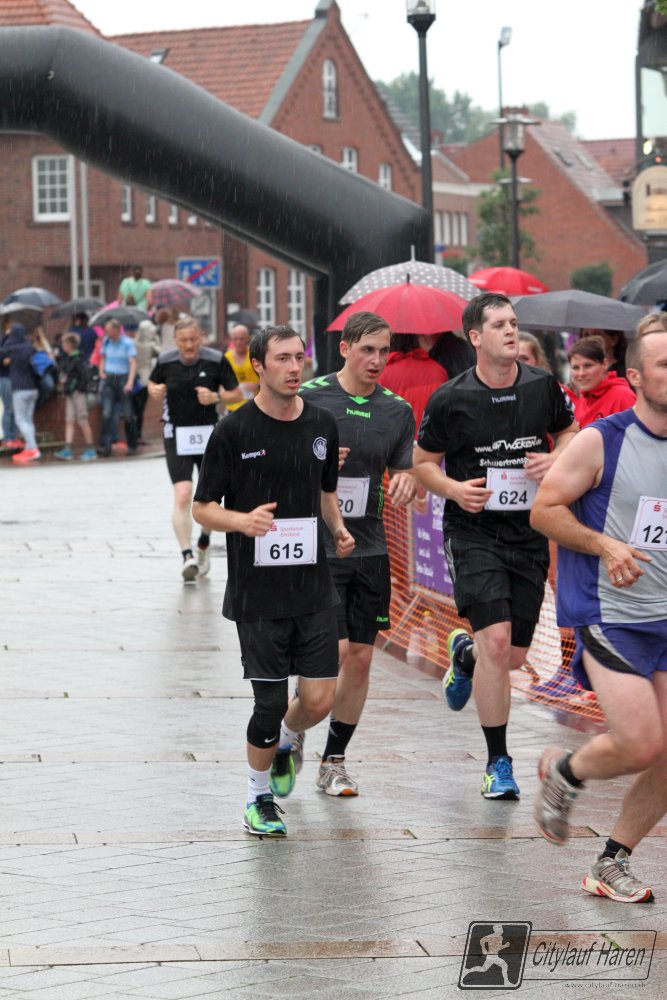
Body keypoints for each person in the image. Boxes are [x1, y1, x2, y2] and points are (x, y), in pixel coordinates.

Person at [192, 324, 355, 837]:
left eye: (299, 357)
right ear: (258, 365)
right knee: (268, 702)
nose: (293, 367)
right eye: (282, 358)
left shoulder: (322, 424)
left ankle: (285, 738)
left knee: (320, 700)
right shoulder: (234, 431)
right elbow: (202, 508)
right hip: (258, 593)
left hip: (313, 587)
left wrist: (338, 528)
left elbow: (326, 492)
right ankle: (257, 798)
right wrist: (242, 521)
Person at [413, 293, 576, 800]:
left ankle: (465, 656)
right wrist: (454, 489)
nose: (510, 330)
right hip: (473, 532)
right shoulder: (450, 397)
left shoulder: (542, 386)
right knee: (499, 644)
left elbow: (570, 433)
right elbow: (422, 463)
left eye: (514, 322)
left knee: (513, 656)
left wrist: (556, 460)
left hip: (528, 532)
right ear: (475, 337)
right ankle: (497, 763)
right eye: (499, 324)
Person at [531, 317, 667, 904]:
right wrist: (606, 545)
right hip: (611, 612)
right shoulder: (600, 440)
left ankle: (612, 862)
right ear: (634, 377)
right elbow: (544, 511)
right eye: (665, 365)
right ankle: (567, 771)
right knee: (640, 743)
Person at [296, 311, 416, 795]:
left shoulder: (397, 410)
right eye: (367, 349)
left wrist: (406, 479)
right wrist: (314, 463)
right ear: (345, 348)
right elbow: (280, 463)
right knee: (335, 650)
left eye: (385, 351)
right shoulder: (310, 397)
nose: (377, 360)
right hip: (319, 546)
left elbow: (405, 468)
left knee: (362, 658)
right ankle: (289, 729)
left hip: (369, 546)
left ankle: (334, 760)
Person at [148, 316, 242, 581]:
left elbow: (237, 393)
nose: (189, 345)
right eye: (183, 340)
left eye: (193, 339)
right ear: (175, 340)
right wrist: (154, 390)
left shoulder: (216, 360)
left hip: (208, 435)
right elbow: (152, 383)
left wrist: (216, 397)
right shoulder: (165, 361)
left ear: (201, 338)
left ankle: (203, 541)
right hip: (175, 433)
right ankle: (187, 555)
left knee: (208, 498)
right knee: (182, 494)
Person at [378, 332, 448, 432]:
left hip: (396, 439)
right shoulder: (439, 372)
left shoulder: (381, 375)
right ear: (417, 340)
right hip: (429, 438)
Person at [568, 335, 637, 428]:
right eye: (575, 367)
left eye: (588, 366)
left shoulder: (622, 395)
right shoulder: (583, 400)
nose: (581, 373)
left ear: (605, 364)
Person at [0, 322, 41, 464]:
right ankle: (30, 447)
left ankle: (32, 448)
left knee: (20, 420)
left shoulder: (12, 348)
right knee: (28, 420)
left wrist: (5, 337)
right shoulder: (29, 347)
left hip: (20, 388)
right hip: (33, 387)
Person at [98, 319, 138, 458]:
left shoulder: (127, 343)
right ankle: (106, 445)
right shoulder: (106, 341)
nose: (106, 333)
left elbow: (133, 362)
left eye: (108, 330)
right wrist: (101, 371)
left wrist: (130, 382)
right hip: (109, 378)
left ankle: (132, 444)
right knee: (107, 413)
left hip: (122, 378)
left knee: (128, 414)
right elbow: (102, 358)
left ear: (116, 329)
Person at [54, 332, 97, 462]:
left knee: (82, 420)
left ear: (69, 344)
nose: (62, 346)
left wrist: (78, 388)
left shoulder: (79, 359)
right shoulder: (67, 358)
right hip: (70, 393)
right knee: (69, 420)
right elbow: (62, 370)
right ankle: (67, 449)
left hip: (78, 393)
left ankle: (90, 449)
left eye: (64, 343)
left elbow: (85, 376)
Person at [131, 319, 161, 443]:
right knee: (140, 409)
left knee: (134, 409)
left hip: (134, 378)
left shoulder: (132, 343)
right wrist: (156, 339)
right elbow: (161, 352)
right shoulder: (150, 345)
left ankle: (134, 436)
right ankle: (138, 435)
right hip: (145, 379)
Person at [224, 323, 260, 412]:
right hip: (233, 407)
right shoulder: (226, 358)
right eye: (235, 339)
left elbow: (267, 376)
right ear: (231, 339)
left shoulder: (255, 355)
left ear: (248, 338)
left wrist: (258, 384)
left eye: (241, 339)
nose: (238, 342)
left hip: (254, 405)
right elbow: (221, 382)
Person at [0, 316, 20, 448]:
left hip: (13, 377)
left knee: (14, 409)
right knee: (8, 408)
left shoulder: (15, 343)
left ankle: (13, 436)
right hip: (5, 377)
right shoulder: (3, 342)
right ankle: (7, 437)